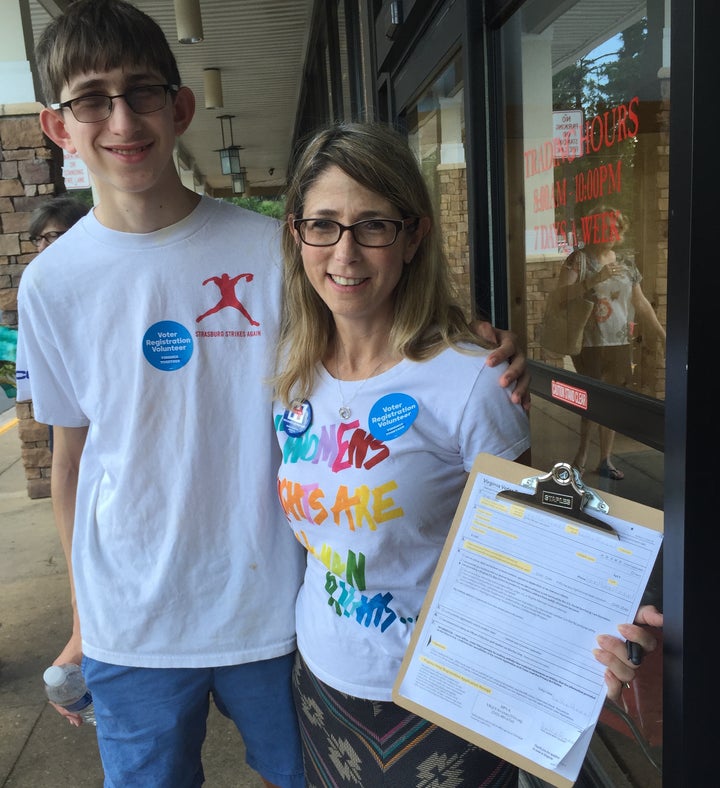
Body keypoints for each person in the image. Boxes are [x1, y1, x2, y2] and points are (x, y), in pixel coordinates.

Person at [15, 3, 530, 786]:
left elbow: (372, 317)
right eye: (92, 99)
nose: (122, 119)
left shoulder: (273, 250)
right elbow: (70, 455)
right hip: (132, 624)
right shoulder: (51, 281)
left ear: (181, 107)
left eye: (143, 92)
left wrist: (472, 342)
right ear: (60, 127)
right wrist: (84, 619)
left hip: (277, 610)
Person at [271, 122, 657, 787]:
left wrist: (605, 632)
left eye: (373, 226)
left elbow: (541, 554)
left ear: (414, 234)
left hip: (443, 699)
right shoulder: (292, 371)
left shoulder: (473, 379)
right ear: (296, 233)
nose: (345, 252)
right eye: (324, 225)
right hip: (321, 685)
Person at [557, 208, 666, 480]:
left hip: (618, 343)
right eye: (603, 227)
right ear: (592, 230)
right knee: (592, 401)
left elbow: (640, 304)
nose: (609, 233)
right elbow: (559, 298)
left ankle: (605, 459)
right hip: (589, 343)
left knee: (612, 403)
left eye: (614, 228)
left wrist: (662, 334)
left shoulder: (627, 264)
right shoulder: (578, 260)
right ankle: (581, 456)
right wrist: (594, 280)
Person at [26, 195, 90, 450]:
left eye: (52, 236)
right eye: (38, 238)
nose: (42, 247)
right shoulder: (40, 287)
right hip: (65, 405)